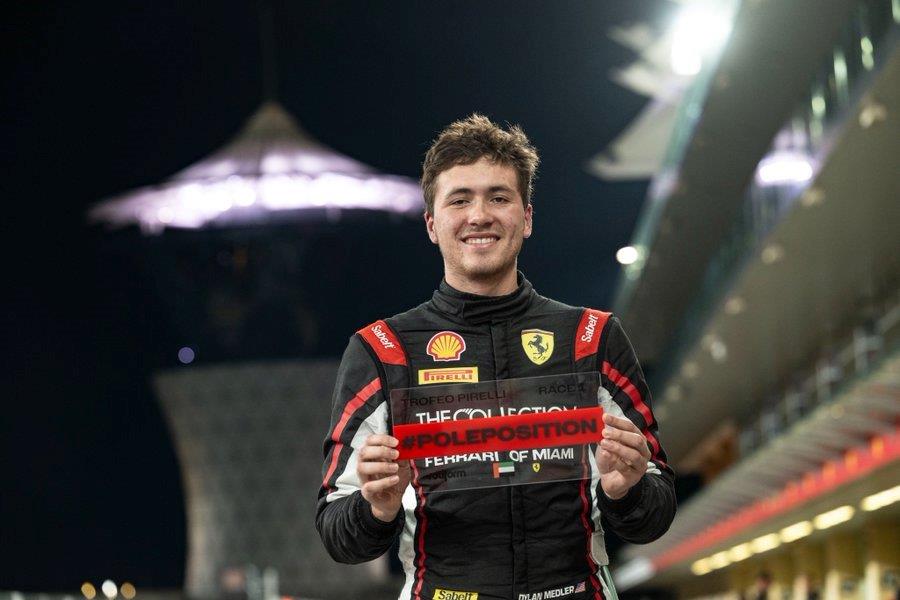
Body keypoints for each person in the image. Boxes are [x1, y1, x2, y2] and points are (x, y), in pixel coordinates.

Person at [316, 114, 675, 600]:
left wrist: (625, 491)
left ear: (526, 218)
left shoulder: (592, 338)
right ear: (432, 224)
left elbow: (655, 513)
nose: (479, 215)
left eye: (499, 197)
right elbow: (337, 533)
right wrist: (375, 508)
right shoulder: (382, 350)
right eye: (459, 199)